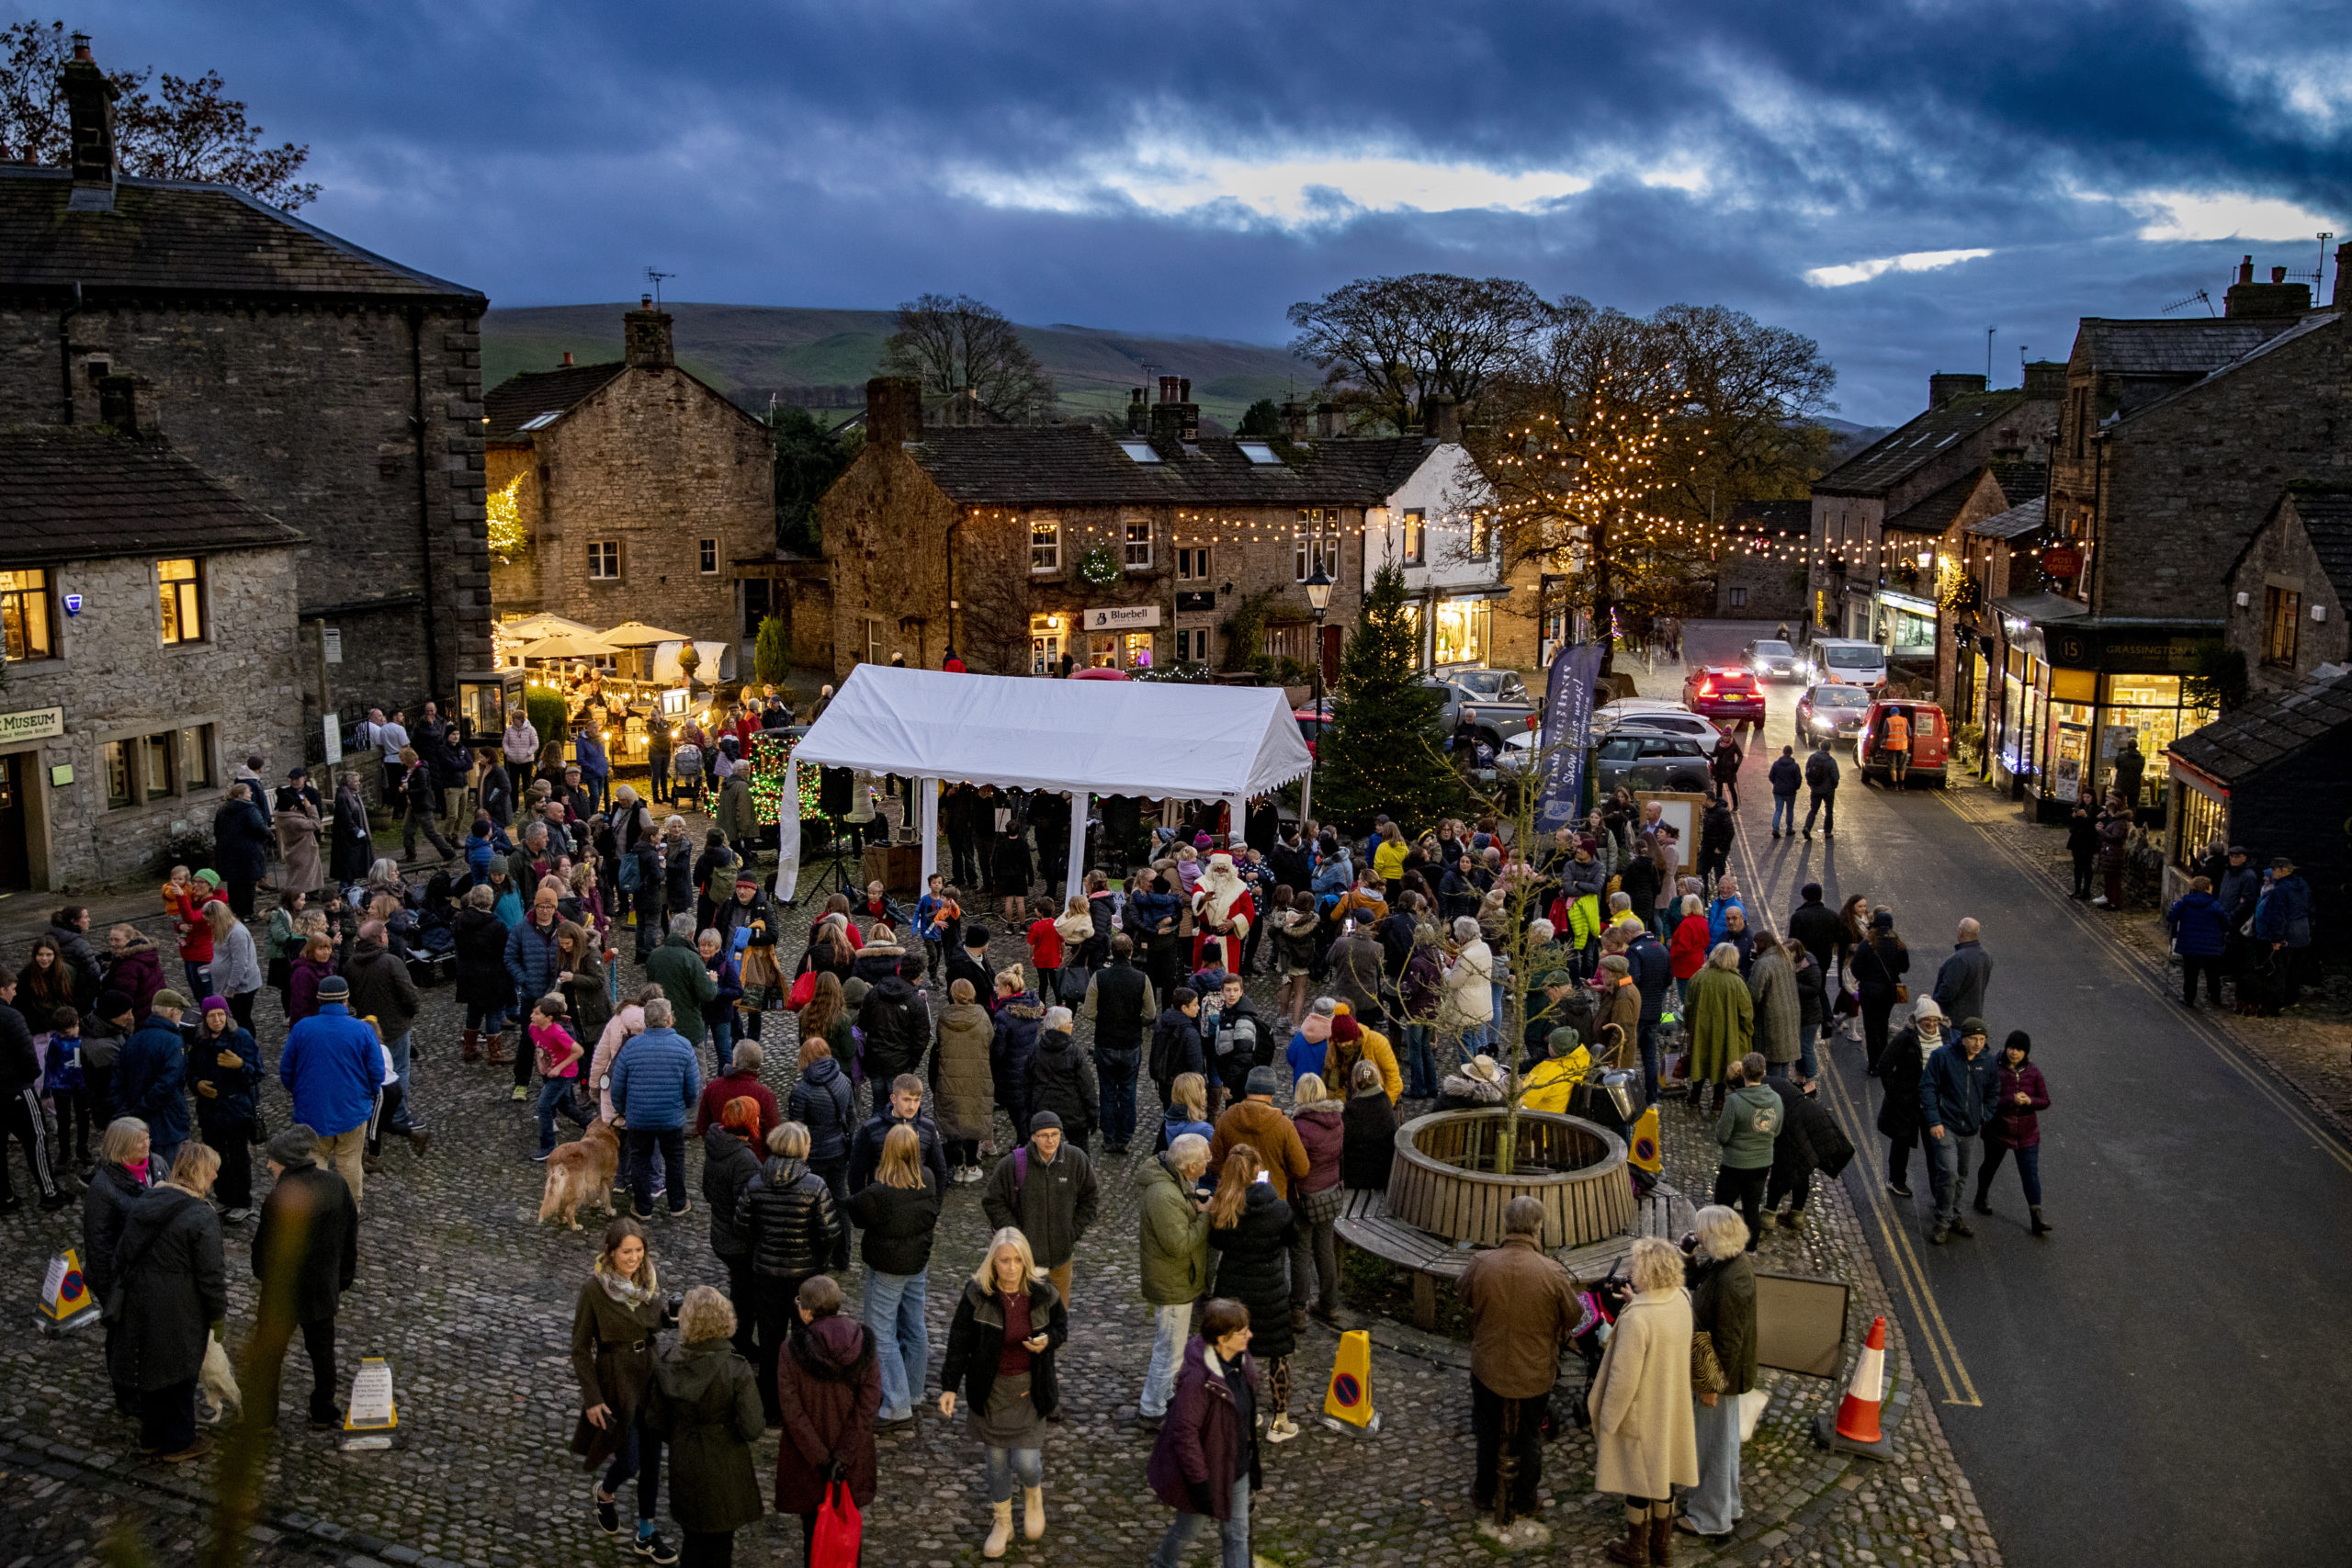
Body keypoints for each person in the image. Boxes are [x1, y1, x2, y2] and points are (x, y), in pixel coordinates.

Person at [939, 1227, 1069, 1559]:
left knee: (1026, 1462)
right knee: (996, 1461)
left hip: (1030, 1388)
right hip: (991, 1390)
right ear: (992, 1263)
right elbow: (959, 1342)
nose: (1010, 1268)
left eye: (1016, 1260)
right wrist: (949, 1386)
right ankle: (1003, 1523)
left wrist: (1047, 1341)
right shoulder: (976, 1293)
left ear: (1026, 1261)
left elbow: (1061, 1328)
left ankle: (1033, 1494)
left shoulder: (1043, 1291)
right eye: (1003, 1261)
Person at [1454, 1193, 1579, 1517]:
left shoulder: (1482, 1263)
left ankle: (1484, 1491)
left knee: (1486, 1429)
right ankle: (1525, 1499)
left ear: (1506, 1225)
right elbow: (1574, 1316)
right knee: (1529, 1436)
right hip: (1534, 1373)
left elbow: (1463, 1295)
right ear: (1538, 1229)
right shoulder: (1552, 1273)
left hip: (1487, 1367)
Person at [109, 1142, 227, 1462]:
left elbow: (121, 1254)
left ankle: (152, 1437)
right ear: (200, 1171)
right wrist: (218, 1315)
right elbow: (211, 1275)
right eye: (212, 1168)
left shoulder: (146, 1201)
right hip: (180, 1306)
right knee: (180, 1373)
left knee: (150, 1368)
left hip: (140, 1301)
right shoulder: (201, 1216)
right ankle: (178, 1442)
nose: (216, 1174)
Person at [571, 1217, 677, 1563]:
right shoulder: (594, 1289)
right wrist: (593, 1398)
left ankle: (646, 1533)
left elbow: (653, 1322)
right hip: (615, 1379)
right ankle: (605, 1493)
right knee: (629, 1462)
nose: (633, 1258)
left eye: (639, 1251)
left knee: (652, 1461)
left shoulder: (649, 1281)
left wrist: (669, 1318)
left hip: (650, 1372)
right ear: (611, 1252)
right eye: (626, 1252)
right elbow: (579, 1348)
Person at [1589, 1235, 1699, 1566]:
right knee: (1663, 1475)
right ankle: (1662, 1546)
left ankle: (1637, 1550)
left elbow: (1623, 1379)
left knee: (1637, 1482)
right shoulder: (1681, 1298)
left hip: (1640, 1411)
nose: (1632, 1270)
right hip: (1669, 1405)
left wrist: (1607, 1420)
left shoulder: (1638, 1319)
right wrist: (1634, 1300)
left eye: (1637, 1265)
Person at [642, 1284, 767, 1568]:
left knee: (692, 1540)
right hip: (725, 1462)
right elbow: (753, 1427)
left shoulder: (669, 1362)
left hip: (685, 1456)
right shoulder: (735, 1369)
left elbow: (655, 1420)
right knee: (719, 1547)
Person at [248, 1124, 359, 1429]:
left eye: (273, 1160)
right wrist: (342, 1278)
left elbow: (262, 1252)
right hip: (322, 1289)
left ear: (288, 1161)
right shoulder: (336, 1186)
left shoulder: (281, 1196)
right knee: (323, 1354)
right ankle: (324, 1411)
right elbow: (351, 1236)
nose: (269, 1165)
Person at [736, 1120, 842, 1425]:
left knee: (770, 1342)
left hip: (766, 1274)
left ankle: (771, 1407)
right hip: (805, 1277)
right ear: (802, 1148)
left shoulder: (756, 1183)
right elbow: (830, 1232)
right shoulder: (815, 1185)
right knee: (805, 1341)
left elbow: (742, 1227)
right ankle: (803, 1403)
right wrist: (819, 1260)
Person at [771, 1274, 881, 1566]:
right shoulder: (863, 1343)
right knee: (849, 1531)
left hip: (809, 1463)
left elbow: (792, 1413)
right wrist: (843, 1457)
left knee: (814, 1536)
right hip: (854, 1459)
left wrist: (823, 1460)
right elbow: (868, 1405)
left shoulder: (790, 1350)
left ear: (806, 1310)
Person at [1145, 1296, 1263, 1568]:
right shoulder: (1198, 1380)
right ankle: (1163, 1564)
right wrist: (1200, 1484)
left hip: (1237, 1466)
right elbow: (1184, 1433)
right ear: (1222, 1339)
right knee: (1188, 1531)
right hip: (1206, 1474)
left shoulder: (1241, 1359)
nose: (1250, 1335)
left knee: (1237, 1535)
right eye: (1243, 1332)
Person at [845, 1122, 943, 1427]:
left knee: (881, 1333)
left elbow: (855, 1212)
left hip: (888, 1267)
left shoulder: (879, 1193)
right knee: (914, 1325)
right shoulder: (927, 1179)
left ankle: (897, 1404)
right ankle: (913, 1392)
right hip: (917, 1263)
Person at [1203, 1143, 1301, 1443]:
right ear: (1259, 1172)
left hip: (1232, 1289)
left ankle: (1243, 1413)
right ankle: (1280, 1420)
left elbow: (1217, 1243)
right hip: (1270, 1288)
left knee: (1232, 1355)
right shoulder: (1280, 1209)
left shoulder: (1225, 1208)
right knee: (1278, 1353)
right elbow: (1292, 1240)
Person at [1679, 1204, 1758, 1545]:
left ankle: (1711, 1517)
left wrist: (1711, 1386)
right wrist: (1688, 1255)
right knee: (1722, 1444)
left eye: (1701, 1233)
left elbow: (1728, 1341)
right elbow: (1695, 1281)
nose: (1698, 1236)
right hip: (1717, 1371)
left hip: (1719, 1376)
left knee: (1712, 1446)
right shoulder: (1726, 1263)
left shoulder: (1733, 1280)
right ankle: (1727, 1507)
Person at [277, 976, 379, 1201]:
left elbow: (286, 1071)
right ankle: (351, 1211)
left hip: (311, 1112)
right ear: (346, 1000)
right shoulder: (362, 1030)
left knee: (315, 1162)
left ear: (320, 1000)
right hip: (352, 1110)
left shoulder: (302, 1028)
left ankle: (322, 1210)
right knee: (350, 1163)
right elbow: (377, 1074)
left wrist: (301, 1094)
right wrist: (364, 1096)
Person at [1135, 1132, 1213, 1427]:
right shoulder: (1163, 1195)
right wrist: (1205, 1215)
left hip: (1176, 1279)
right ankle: (1152, 1409)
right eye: (1206, 1157)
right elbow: (1178, 1244)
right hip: (1171, 1283)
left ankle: (1164, 1397)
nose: (1210, 1161)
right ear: (1190, 1167)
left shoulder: (1174, 1182)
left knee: (1172, 1348)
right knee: (1168, 1350)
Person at [982, 1111, 1098, 1307]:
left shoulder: (1075, 1160)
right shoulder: (1012, 1164)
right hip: (1024, 1261)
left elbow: (1091, 1198)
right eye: (1044, 1135)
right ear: (1033, 1137)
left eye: (1055, 1135)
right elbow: (993, 1201)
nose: (1050, 1141)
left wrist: (1073, 1231)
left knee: (1059, 1313)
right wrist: (1016, 1235)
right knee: (1025, 1316)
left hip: (1062, 1257)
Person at [85, 1116, 157, 1413]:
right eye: (141, 1140)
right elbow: (98, 1242)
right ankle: (125, 1391)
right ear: (124, 1146)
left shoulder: (157, 1165)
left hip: (151, 1272)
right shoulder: (103, 1188)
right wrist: (109, 1287)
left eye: (147, 1137)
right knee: (122, 1337)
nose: (148, 1143)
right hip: (119, 1278)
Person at [610, 997, 703, 1221]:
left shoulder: (631, 1046)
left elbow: (618, 1085)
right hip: (671, 1117)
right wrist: (687, 1106)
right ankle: (677, 1204)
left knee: (640, 1159)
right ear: (669, 1019)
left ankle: (643, 1208)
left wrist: (622, 1109)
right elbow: (693, 1087)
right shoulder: (683, 1046)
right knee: (674, 1159)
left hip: (639, 1117)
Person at [1921, 1015, 2000, 1246]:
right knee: (1949, 1173)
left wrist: (1985, 1116)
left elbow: (1994, 1092)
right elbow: (1927, 1087)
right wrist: (1934, 1121)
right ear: (1963, 1038)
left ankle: (1953, 1214)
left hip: (1970, 1128)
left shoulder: (1988, 1062)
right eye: (1974, 1038)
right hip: (1945, 1125)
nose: (1978, 1043)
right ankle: (1943, 1221)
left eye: (1982, 1039)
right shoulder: (1942, 1057)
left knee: (1962, 1176)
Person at [701, 1096, 766, 1359]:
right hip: (738, 1241)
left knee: (740, 1288)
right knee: (745, 1296)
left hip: (720, 1230)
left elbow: (707, 1190)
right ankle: (741, 1343)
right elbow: (748, 1208)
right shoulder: (745, 1160)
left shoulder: (716, 1145)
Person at [187, 996, 261, 1221]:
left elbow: (257, 1073)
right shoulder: (199, 1041)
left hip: (237, 1108)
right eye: (212, 1015)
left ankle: (242, 1201)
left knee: (238, 1156)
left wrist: (241, 1066)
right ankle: (223, 1197)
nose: (217, 1019)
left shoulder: (242, 1038)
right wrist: (197, 1084)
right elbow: (190, 1072)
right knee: (215, 1155)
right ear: (205, 1019)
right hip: (210, 1110)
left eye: (221, 1015)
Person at [1081, 931, 1155, 1155]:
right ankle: (1125, 1137)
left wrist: (1104, 1019)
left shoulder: (1099, 977)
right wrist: (1136, 1021)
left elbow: (1088, 1011)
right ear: (1131, 952)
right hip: (1131, 1043)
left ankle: (1109, 1136)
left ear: (1112, 953)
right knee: (1128, 1090)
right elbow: (1150, 1013)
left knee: (1107, 1091)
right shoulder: (1142, 979)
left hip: (1105, 1041)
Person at [1975, 1030, 2052, 1236]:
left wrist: (2029, 1101)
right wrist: (2011, 1100)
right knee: (1990, 1166)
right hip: (1997, 1129)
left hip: (2026, 1134)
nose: (2014, 1052)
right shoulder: (1993, 1068)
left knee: (2030, 1174)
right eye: (2012, 1047)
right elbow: (1985, 1098)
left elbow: (2045, 1100)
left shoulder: (2033, 1072)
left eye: (2019, 1049)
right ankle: (1981, 1197)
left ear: (2026, 1052)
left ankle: (2036, 1218)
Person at [1762, 1060, 1852, 1232]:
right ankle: (1797, 1215)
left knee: (1782, 1167)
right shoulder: (1775, 1082)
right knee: (1803, 1166)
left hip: (1796, 1124)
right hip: (1813, 1120)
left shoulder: (1760, 1090)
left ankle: (1769, 1215)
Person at [1289, 1074, 1345, 1322]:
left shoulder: (1300, 1128)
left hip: (1305, 1197)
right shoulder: (1337, 1121)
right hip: (1330, 1192)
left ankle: (1298, 1308)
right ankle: (1330, 1303)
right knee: (1324, 1248)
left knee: (1301, 1251)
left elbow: (1295, 1165)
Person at [1712, 1054, 1780, 1248]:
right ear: (1764, 1072)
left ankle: (1719, 1246)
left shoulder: (1734, 1102)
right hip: (1761, 1164)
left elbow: (1722, 1136)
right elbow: (1776, 1130)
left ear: (1744, 1074)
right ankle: (1750, 1249)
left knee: (1723, 1208)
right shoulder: (1776, 1100)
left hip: (1734, 1164)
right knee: (1752, 1208)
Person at [1873, 995, 1938, 1199]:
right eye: (1926, 1019)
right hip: (1907, 1101)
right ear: (1917, 1020)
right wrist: (1895, 1092)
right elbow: (1884, 1064)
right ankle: (1896, 1180)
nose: (1931, 1023)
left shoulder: (1944, 1038)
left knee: (1935, 1146)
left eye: (1935, 1019)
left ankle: (1938, 1189)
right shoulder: (1906, 1038)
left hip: (1932, 1102)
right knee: (1902, 1141)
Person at [933, 979, 995, 1180]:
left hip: (949, 1075)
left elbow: (939, 1042)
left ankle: (958, 1167)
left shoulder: (944, 1016)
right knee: (972, 1119)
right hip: (976, 1075)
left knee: (952, 1120)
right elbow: (990, 1039)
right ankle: (971, 1166)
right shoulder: (981, 1015)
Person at [1686, 943, 1754, 1118]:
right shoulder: (1736, 982)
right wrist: (1748, 1032)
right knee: (1723, 1064)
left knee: (1700, 1060)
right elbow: (1746, 1013)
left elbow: (1688, 1006)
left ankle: (1695, 1095)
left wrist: (1689, 1025)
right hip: (1727, 1033)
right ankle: (1718, 1100)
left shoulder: (1699, 977)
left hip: (1701, 1031)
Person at [1024, 1007, 1100, 1154]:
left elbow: (1027, 1083)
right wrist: (1093, 1114)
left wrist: (1030, 1109)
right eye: (1071, 1023)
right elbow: (1087, 1087)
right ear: (1063, 1027)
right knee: (1080, 1155)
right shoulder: (1074, 1052)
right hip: (1073, 1113)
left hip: (1043, 1109)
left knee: (1046, 1153)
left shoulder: (1036, 1050)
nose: (1073, 1025)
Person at [1851, 910, 1910, 1071]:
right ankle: (1885, 1061)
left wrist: (1866, 977)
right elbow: (1904, 968)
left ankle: (1874, 1064)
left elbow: (1855, 968)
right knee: (1883, 1024)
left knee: (1871, 1027)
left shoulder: (1867, 944)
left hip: (1869, 991)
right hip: (1890, 991)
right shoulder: (1899, 945)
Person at [2165, 876, 2231, 1009]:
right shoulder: (2214, 905)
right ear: (2208, 888)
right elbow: (2226, 923)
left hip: (2190, 946)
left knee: (2191, 974)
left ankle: (2189, 998)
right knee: (2212, 974)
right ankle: (2215, 997)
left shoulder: (2184, 903)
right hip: (2211, 946)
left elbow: (2172, 917)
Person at [1746, 930, 1799, 1080]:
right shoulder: (1785, 957)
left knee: (1773, 1066)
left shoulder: (1763, 964)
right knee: (1783, 1064)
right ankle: (1784, 1097)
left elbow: (1754, 995)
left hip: (1771, 1020)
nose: (1753, 948)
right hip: (1789, 1016)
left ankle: (1777, 1101)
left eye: (1755, 945)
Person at [1341, 1059, 1397, 1190]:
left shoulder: (1351, 1109)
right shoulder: (1385, 1100)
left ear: (1355, 1081)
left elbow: (1342, 1142)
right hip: (1385, 1172)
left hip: (1360, 1177)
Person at [1930, 918, 1992, 1024]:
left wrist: (1934, 1005)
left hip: (1954, 1020)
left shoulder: (1959, 959)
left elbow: (1947, 991)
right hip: (1974, 1017)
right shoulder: (1986, 956)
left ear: (1961, 934)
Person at [1801, 739, 1839, 840]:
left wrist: (1811, 784)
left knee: (1813, 810)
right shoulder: (1831, 761)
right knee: (1829, 811)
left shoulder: (1812, 758)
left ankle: (1807, 827)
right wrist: (1833, 786)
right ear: (1829, 748)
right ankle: (1827, 832)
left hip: (1815, 789)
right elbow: (1836, 776)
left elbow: (1807, 771)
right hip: (1828, 790)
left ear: (1820, 746)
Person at [2065, 802, 2099, 901]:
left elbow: (2094, 826)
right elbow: (2070, 825)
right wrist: (2073, 816)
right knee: (2077, 867)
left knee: (2087, 867)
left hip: (2088, 843)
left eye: (2088, 797)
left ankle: (2086, 891)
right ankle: (2077, 890)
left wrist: (2086, 817)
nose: (2086, 799)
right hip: (2076, 842)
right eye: (2084, 797)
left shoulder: (2096, 810)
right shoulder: (2079, 807)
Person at [1767, 745, 1802, 839]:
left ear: (1783, 752)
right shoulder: (1795, 766)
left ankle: (1775, 828)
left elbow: (1771, 776)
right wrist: (1795, 787)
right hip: (1790, 792)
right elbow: (1798, 780)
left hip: (1778, 791)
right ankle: (1789, 829)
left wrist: (1776, 784)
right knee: (1790, 810)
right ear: (1791, 753)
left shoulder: (1776, 764)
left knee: (1778, 809)